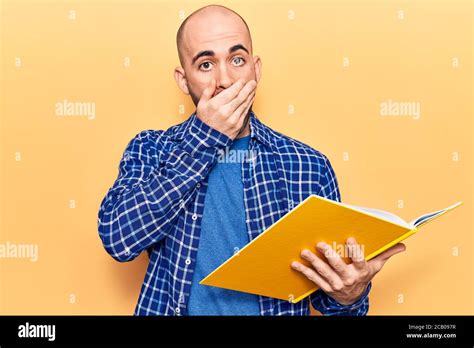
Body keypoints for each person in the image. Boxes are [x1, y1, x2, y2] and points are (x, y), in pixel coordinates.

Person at [97, 4, 406, 316]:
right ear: (182, 79)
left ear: (256, 69)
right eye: (205, 65)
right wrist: (207, 140)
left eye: (237, 60)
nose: (226, 80)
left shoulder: (307, 165)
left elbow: (331, 305)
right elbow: (119, 239)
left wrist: (349, 295)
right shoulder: (152, 149)